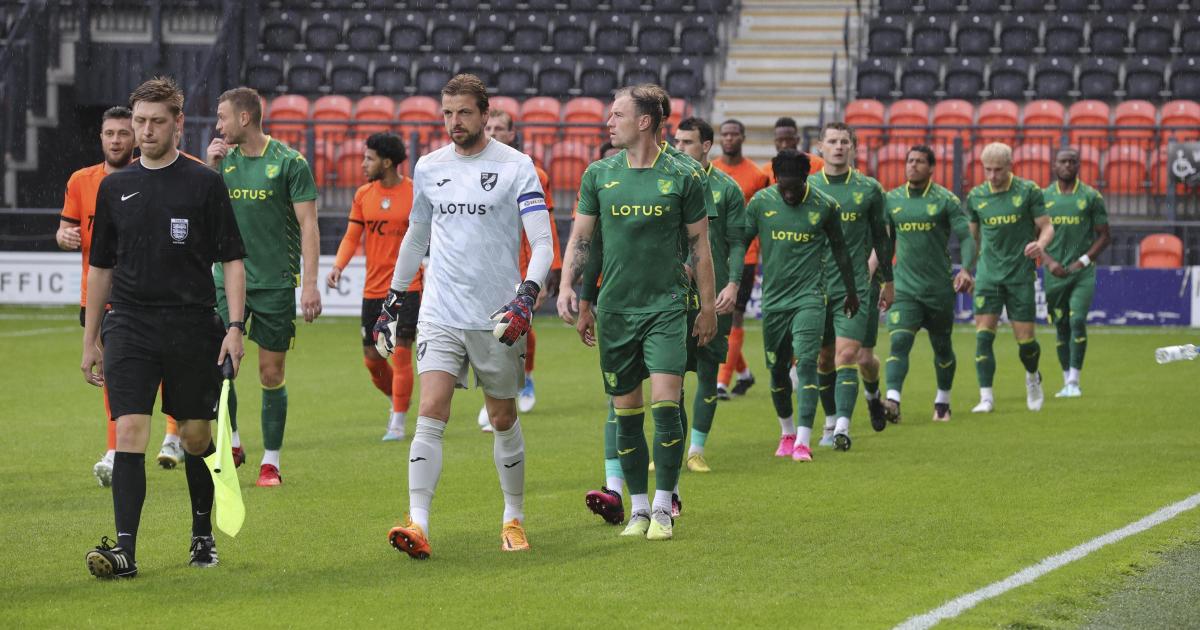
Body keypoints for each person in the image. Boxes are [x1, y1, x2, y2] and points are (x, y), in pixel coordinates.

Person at [375, 74, 554, 559]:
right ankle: (418, 522)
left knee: (501, 417)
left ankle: (513, 518)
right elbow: (416, 238)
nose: (454, 122)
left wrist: (526, 294)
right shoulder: (430, 168)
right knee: (430, 409)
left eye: (464, 113)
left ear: (485, 113)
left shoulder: (517, 167)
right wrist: (393, 299)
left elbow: (542, 242)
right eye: (447, 113)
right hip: (441, 311)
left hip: (498, 317)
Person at [81, 76, 246, 579]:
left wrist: (235, 326)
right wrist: (91, 337)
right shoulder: (115, 187)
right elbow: (101, 267)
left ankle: (202, 533)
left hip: (193, 325)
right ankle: (125, 552)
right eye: (139, 122)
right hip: (128, 324)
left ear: (178, 124)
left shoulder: (204, 183)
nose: (145, 131)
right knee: (130, 430)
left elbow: (233, 259)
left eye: (155, 122)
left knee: (196, 437)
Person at [559, 84, 716, 541]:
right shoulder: (598, 175)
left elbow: (700, 247)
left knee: (667, 406)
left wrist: (707, 309)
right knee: (626, 414)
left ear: (644, 121)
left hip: (666, 307)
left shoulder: (685, 174)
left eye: (617, 114)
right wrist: (572, 289)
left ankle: (665, 506)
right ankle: (638, 509)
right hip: (617, 311)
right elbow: (584, 240)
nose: (609, 122)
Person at [58, 107, 188, 482]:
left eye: (121, 133)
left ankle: (173, 435)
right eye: (109, 133)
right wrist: (63, 237)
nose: (116, 140)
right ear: (100, 138)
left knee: (165, 369)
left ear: (134, 136)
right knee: (113, 374)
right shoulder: (82, 181)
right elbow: (66, 228)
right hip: (98, 297)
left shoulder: (149, 181)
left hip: (147, 293)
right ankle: (116, 449)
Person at [206, 87, 321, 486]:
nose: (217, 126)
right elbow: (204, 216)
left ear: (244, 118)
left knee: (271, 373)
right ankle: (234, 442)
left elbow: (308, 225)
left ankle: (271, 461)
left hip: (273, 282)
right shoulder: (222, 162)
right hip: (226, 280)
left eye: (222, 117)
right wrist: (210, 168)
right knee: (222, 368)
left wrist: (309, 285)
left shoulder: (290, 162)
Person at [746, 149, 857, 462]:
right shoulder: (761, 203)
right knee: (778, 371)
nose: (789, 191)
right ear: (777, 179)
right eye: (784, 185)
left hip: (811, 297)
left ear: (806, 178)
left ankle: (804, 442)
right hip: (774, 301)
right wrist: (731, 281)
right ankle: (787, 432)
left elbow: (840, 249)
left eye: (795, 185)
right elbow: (741, 240)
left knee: (807, 363)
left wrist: (851, 290)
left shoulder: (825, 205)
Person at [326, 132, 420, 441]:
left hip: (407, 287)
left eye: (369, 158)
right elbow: (352, 237)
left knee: (402, 354)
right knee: (372, 359)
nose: (363, 164)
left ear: (387, 162)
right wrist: (338, 266)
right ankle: (397, 400)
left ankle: (399, 422)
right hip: (373, 290)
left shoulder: (415, 194)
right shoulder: (363, 194)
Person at [808, 122, 893, 450]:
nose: (839, 147)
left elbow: (882, 237)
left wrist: (884, 278)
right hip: (817, 286)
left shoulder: (870, 189)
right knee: (824, 359)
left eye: (845, 141)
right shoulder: (809, 187)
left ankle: (842, 426)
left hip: (856, 285)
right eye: (832, 141)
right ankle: (852, 408)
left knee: (849, 353)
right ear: (821, 147)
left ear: (853, 148)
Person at [478, 109, 563, 421]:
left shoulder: (534, 174)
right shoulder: (473, 172)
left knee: (520, 323)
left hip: (524, 262)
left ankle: (523, 380)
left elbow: (546, 223)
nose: (494, 132)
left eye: (500, 128)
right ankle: (499, 389)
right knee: (488, 327)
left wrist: (553, 265)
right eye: (489, 127)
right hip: (488, 262)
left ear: (512, 134)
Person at [673, 117, 746, 472]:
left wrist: (732, 284)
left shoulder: (728, 189)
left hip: (711, 296)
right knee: (670, 373)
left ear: (706, 146)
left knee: (707, 370)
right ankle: (672, 447)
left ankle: (696, 450)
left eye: (687, 142)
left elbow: (736, 243)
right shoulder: (665, 182)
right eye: (676, 141)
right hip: (671, 297)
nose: (679, 148)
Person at [881, 146, 975, 422]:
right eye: (910, 161)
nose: (913, 165)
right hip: (904, 289)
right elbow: (884, 244)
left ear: (931, 167)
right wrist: (882, 280)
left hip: (938, 290)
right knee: (898, 341)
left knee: (942, 347)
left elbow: (967, 238)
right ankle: (893, 401)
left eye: (920, 161)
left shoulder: (945, 200)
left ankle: (943, 401)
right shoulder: (892, 200)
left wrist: (967, 269)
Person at [966, 142, 1054, 413]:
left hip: (1019, 276)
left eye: (998, 170)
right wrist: (967, 271)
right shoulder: (976, 196)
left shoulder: (1028, 191)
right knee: (983, 336)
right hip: (988, 276)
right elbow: (972, 237)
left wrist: (1041, 244)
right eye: (987, 170)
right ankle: (986, 397)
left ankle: (1032, 377)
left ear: (1010, 167)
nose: (992, 176)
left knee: (1026, 341)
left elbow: (1047, 226)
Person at [1040, 148, 1110, 398]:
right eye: (1063, 161)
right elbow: (1031, 237)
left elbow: (1105, 235)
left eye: (1072, 161)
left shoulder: (1091, 196)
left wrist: (1083, 260)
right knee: (1061, 326)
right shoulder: (1042, 197)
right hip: (1054, 272)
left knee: (1077, 320)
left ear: (1078, 165)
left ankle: (1075, 380)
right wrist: (1048, 262)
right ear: (1054, 165)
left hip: (1082, 272)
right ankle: (1065, 381)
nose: (1068, 165)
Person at [711, 119, 769, 400]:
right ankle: (744, 373)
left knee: (733, 316)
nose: (730, 138)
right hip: (712, 255)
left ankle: (722, 381)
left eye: (735, 133)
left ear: (743, 137)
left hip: (745, 255)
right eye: (726, 133)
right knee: (716, 317)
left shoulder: (756, 175)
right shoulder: (711, 173)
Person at [760, 117, 825, 183]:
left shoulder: (818, 164)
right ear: (775, 141)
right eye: (780, 140)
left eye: (789, 140)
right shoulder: (765, 171)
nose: (784, 145)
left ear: (797, 140)